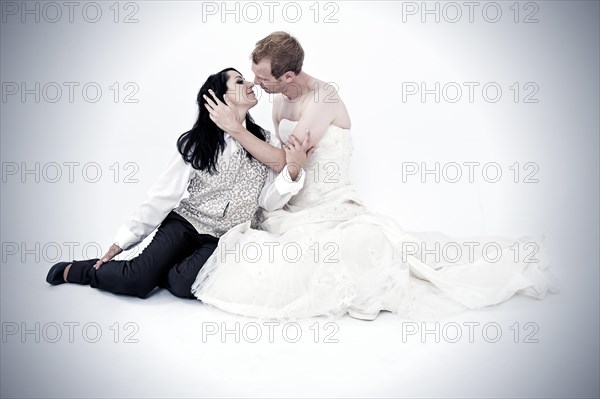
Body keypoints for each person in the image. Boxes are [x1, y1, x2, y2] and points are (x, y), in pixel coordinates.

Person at [191, 32, 559, 320]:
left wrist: (249, 139)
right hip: (291, 203)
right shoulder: (279, 98)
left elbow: (283, 161)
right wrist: (279, 163)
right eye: (252, 74)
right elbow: (285, 162)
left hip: (330, 204)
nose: (254, 83)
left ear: (288, 75)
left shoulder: (322, 99)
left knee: (357, 250)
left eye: (261, 76)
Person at [45, 67, 308, 299]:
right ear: (219, 98)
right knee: (136, 280)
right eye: (239, 82)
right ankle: (80, 270)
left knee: (184, 286)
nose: (251, 84)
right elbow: (162, 196)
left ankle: (155, 269)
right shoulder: (196, 143)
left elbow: (268, 201)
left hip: (222, 236)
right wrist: (122, 241)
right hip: (185, 223)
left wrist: (292, 173)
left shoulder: (265, 141)